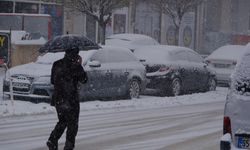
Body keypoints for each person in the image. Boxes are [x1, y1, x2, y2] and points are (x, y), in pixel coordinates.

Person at [47, 47, 88, 150]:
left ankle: (52, 140)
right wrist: (79, 66)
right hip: (71, 99)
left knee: (62, 121)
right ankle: (68, 146)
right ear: (76, 54)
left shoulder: (56, 64)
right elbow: (84, 79)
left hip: (58, 99)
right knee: (72, 124)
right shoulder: (75, 66)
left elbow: (52, 81)